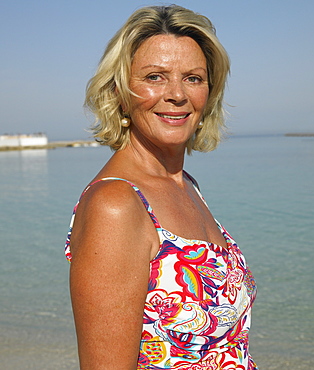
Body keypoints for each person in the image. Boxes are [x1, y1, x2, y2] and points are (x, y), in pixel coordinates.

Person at [65, 4, 257, 369]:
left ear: (209, 93)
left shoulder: (187, 185)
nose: (177, 95)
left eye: (193, 78)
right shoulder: (116, 205)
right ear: (120, 91)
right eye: (154, 77)